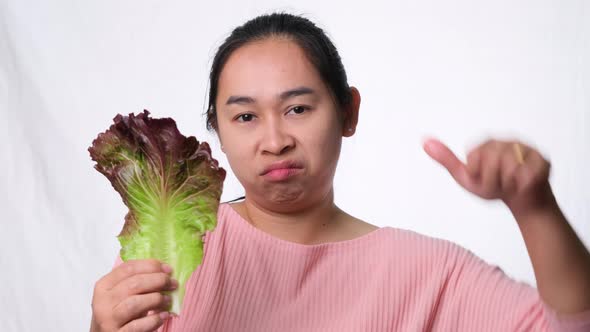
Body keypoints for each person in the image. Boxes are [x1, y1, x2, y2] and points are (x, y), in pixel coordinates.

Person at [90, 12, 590, 332]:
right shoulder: (173, 250)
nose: (274, 140)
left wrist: (535, 207)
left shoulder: (428, 272)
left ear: (348, 112)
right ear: (217, 130)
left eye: (298, 109)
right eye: (245, 116)